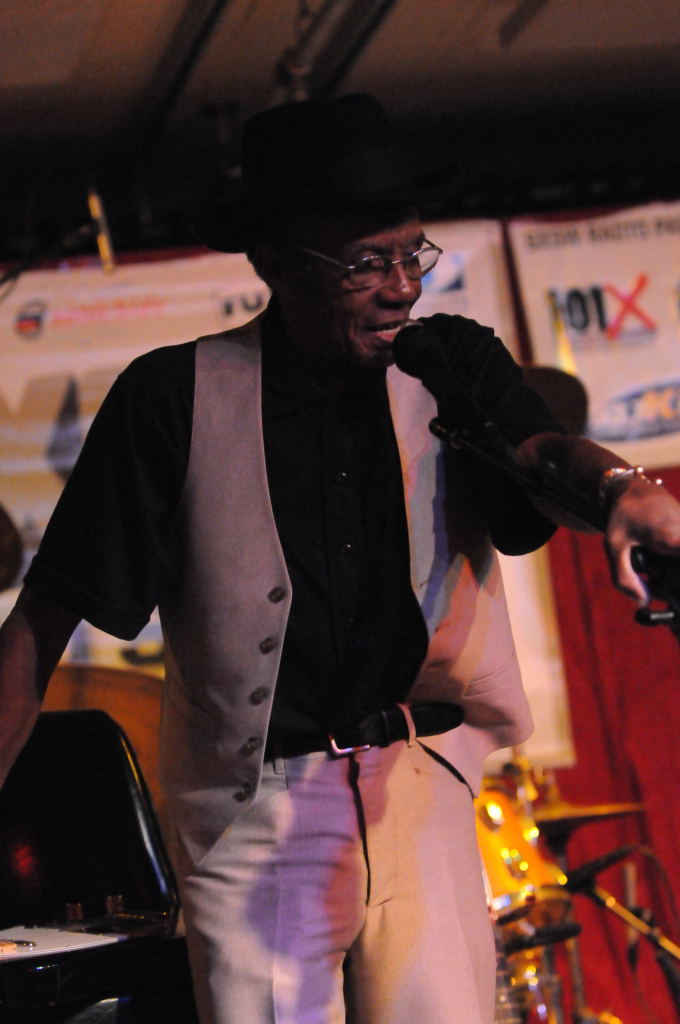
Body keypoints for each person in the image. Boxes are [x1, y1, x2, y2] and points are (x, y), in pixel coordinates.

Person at [1, 94, 679, 1024]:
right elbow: (41, 622)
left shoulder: (450, 364)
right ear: (275, 263)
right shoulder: (171, 398)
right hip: (257, 809)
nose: (401, 287)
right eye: (365, 263)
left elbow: (540, 452)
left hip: (424, 785)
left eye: (411, 254)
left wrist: (624, 491)